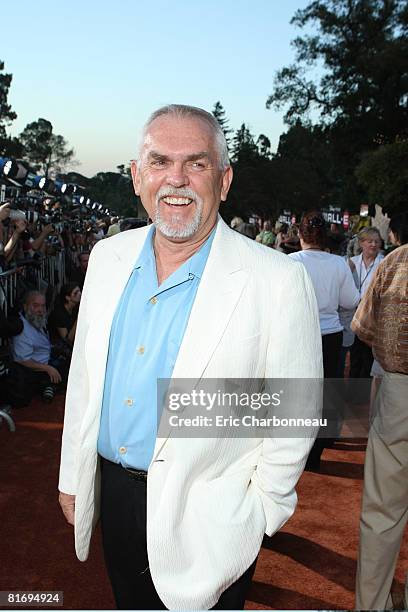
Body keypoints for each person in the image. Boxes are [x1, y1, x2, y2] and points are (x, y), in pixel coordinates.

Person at [58, 104, 323, 611]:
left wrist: (263, 508)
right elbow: (87, 377)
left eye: (196, 164)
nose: (175, 179)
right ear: (137, 177)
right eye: (159, 162)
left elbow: (295, 405)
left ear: (223, 181)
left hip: (212, 510)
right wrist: (74, 476)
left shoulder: (277, 279)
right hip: (113, 491)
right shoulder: (108, 258)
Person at [353, 212, 408, 610]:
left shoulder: (394, 263)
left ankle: (371, 604)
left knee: (382, 511)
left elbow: (364, 327)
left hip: (398, 393)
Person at [289, 210, 360, 469]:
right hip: (330, 335)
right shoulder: (338, 264)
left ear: (299, 235)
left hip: (298, 335)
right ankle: (320, 447)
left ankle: (297, 451)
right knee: (327, 392)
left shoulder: (290, 262)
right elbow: (351, 301)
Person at [10, 291, 67, 404]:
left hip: (47, 360)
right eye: (35, 305)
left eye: (43, 306)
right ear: (26, 306)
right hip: (34, 370)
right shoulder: (22, 328)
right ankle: (48, 385)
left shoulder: (35, 319)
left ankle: (50, 386)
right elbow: (23, 360)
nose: (40, 310)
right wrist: (48, 369)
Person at [348, 227, 384, 403]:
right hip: (354, 315)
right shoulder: (351, 263)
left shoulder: (383, 263)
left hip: (372, 317)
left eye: (377, 241)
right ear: (361, 243)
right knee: (354, 356)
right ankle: (351, 393)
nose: (373, 244)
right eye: (369, 241)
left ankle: (363, 396)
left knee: (368, 356)